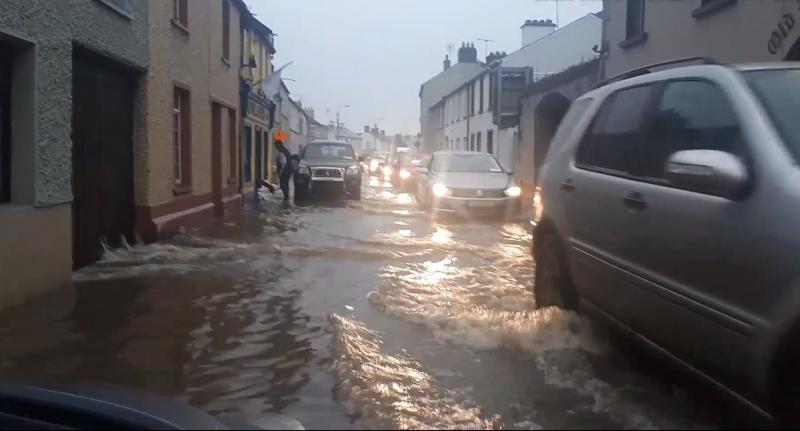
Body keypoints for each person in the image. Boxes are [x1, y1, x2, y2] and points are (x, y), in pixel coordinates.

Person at [273, 130, 295, 202]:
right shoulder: (286, 151)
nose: (275, 147)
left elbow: (283, 163)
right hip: (289, 171)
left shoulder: (281, 152)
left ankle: (286, 198)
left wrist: (280, 172)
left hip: (285, 171)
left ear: (279, 145)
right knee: (286, 184)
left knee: (283, 184)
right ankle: (287, 197)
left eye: (276, 146)